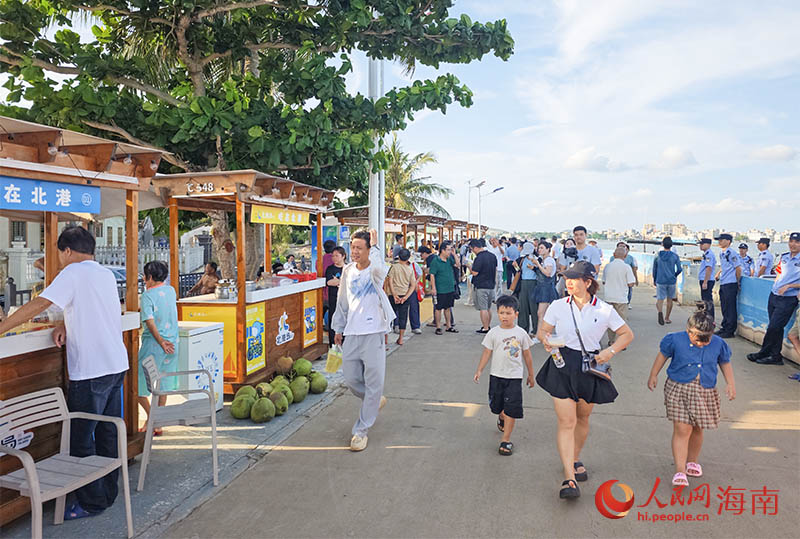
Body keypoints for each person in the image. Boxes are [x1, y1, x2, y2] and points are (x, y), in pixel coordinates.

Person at [0, 226, 129, 519]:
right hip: (115, 365)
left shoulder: (72, 273)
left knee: (81, 438)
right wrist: (65, 326)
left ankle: (91, 502)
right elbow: (95, 313)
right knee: (108, 432)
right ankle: (107, 495)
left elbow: (38, 304)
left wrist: (2, 327)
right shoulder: (105, 274)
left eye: (59, 253)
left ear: (67, 251)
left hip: (92, 371)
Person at [535, 261, 634, 499]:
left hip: (589, 366)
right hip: (562, 363)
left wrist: (609, 352)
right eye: (567, 278)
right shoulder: (558, 306)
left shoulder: (604, 310)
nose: (568, 282)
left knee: (582, 417)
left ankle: (575, 456)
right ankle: (569, 478)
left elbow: (627, 335)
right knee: (566, 421)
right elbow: (543, 330)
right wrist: (546, 339)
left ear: (588, 282)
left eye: (574, 278)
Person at [647, 305, 735, 487]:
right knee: (682, 428)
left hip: (705, 390)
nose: (701, 343)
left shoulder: (719, 343)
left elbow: (725, 363)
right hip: (678, 388)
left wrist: (730, 384)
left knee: (697, 427)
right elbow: (662, 356)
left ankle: (692, 461)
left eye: (706, 340)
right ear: (688, 331)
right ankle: (680, 470)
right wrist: (654, 374)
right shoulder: (674, 340)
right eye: (697, 339)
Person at [332, 229, 395, 452]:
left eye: (360, 247)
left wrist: (377, 247)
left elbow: (380, 268)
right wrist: (338, 328)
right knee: (351, 379)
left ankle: (361, 431)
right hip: (352, 333)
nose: (355, 251)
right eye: (353, 247)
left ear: (369, 249)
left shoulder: (375, 272)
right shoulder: (348, 271)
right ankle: (374, 400)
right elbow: (342, 302)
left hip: (374, 333)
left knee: (374, 381)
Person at [473, 294, 535, 456]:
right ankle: (501, 416)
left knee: (512, 409)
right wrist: (480, 369)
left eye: (508, 313)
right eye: (501, 313)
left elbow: (527, 356)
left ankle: (505, 440)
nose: (504, 316)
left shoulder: (521, 333)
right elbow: (487, 352)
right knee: (498, 406)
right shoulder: (493, 333)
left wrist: (531, 374)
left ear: (516, 314)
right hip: (496, 376)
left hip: (514, 377)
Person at [137, 260, 179, 436]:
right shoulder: (171, 290)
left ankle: (151, 417)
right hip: (173, 343)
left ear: (150, 277)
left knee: (136, 385)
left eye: (145, 277)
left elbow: (149, 320)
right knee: (163, 383)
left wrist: (161, 341)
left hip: (155, 344)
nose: (144, 281)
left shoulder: (147, 295)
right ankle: (157, 422)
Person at [746, 232, 800, 365]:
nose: (793, 244)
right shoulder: (785, 257)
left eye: (797, 242)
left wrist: (789, 286)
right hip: (775, 295)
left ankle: (765, 351)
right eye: (791, 241)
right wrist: (776, 285)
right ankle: (775, 355)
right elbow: (779, 273)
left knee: (774, 326)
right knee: (776, 327)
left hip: (789, 297)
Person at [602, 247, 635, 347]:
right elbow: (631, 283)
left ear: (614, 255)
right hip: (621, 299)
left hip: (609, 297)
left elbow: (604, 281)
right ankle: (620, 343)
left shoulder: (607, 267)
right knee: (621, 322)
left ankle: (611, 341)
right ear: (625, 256)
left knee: (610, 321)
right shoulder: (626, 267)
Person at [385, 248, 416, 345]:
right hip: (404, 295)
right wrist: (406, 297)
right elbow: (413, 285)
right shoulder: (409, 269)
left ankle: (385, 340)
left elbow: (390, 281)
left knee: (388, 317)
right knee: (403, 317)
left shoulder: (394, 267)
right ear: (408, 258)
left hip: (393, 295)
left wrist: (394, 295)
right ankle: (401, 338)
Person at [714, 233, 741, 339]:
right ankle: (724, 327)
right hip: (724, 282)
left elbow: (738, 268)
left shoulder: (731, 253)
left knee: (730, 307)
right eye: (719, 240)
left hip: (731, 283)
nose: (719, 242)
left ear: (728, 241)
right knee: (724, 306)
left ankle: (730, 330)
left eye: (722, 240)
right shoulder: (722, 253)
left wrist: (737, 281)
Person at [531, 241, 558, 344]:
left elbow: (547, 273)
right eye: (539, 248)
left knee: (541, 313)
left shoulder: (548, 260)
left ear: (548, 249)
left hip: (546, 288)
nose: (539, 250)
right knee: (543, 313)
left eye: (542, 248)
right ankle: (542, 335)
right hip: (544, 287)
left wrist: (537, 264)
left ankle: (539, 336)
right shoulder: (545, 260)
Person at [428, 241, 459, 335]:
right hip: (440, 288)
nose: (450, 251)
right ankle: (438, 326)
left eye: (451, 249)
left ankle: (449, 326)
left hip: (450, 288)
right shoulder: (436, 261)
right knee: (438, 308)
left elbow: (458, 265)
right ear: (442, 250)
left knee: (448, 307)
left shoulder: (449, 259)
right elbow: (432, 274)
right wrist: (433, 288)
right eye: (448, 250)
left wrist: (454, 254)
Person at [652, 236, 682, 326]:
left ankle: (660, 312)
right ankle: (667, 317)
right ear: (671, 245)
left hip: (660, 280)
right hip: (671, 280)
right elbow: (680, 269)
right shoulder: (675, 256)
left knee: (660, 299)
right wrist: (674, 275)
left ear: (662, 244)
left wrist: (655, 279)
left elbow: (654, 269)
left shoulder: (657, 255)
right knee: (670, 300)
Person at [470, 239, 497, 333]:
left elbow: (474, 273)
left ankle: (485, 327)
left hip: (481, 286)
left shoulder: (479, 258)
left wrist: (469, 266)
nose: (472, 251)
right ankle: (488, 325)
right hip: (491, 285)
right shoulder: (492, 256)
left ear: (475, 248)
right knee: (488, 308)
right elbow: (496, 270)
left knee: (483, 308)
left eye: (472, 249)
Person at [512, 242, 537, 336]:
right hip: (523, 283)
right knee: (523, 307)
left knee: (534, 308)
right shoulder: (522, 259)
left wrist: (534, 267)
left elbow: (540, 271)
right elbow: (519, 271)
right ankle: (523, 329)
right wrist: (515, 266)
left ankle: (536, 330)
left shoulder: (536, 259)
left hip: (533, 283)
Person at [325, 246, 346, 347]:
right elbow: (329, 282)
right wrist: (343, 281)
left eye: (337, 255)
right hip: (333, 300)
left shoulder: (348, 269)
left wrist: (338, 281)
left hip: (346, 300)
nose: (334, 258)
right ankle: (333, 346)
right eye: (333, 256)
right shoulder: (330, 269)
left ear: (343, 256)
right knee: (333, 321)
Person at [697, 238, 716, 321]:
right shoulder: (706, 254)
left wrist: (705, 282)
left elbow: (709, 268)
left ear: (708, 244)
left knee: (708, 301)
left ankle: (710, 319)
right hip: (704, 279)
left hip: (707, 280)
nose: (700, 246)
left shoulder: (709, 254)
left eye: (702, 244)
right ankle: (706, 318)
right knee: (705, 301)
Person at [616, 241, 638, 309]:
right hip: (617, 278)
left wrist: (636, 279)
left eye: (624, 246)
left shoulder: (630, 258)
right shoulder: (613, 258)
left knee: (629, 291)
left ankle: (628, 303)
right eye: (620, 246)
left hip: (627, 278)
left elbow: (634, 268)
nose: (622, 248)